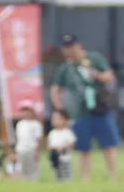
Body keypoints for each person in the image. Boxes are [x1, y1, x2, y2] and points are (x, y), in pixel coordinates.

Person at [50, 34, 119, 181]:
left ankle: (113, 175)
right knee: (83, 148)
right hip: (80, 112)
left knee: (108, 145)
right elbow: (55, 89)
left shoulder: (95, 58)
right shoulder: (65, 68)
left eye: (71, 46)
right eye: (65, 48)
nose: (69, 51)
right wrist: (60, 109)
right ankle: (85, 178)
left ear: (79, 45)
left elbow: (110, 76)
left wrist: (96, 75)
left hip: (100, 109)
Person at [14, 103, 44, 181]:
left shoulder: (36, 124)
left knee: (33, 167)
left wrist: (37, 151)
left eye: (27, 111)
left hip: (32, 149)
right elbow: (18, 138)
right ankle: (24, 180)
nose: (25, 113)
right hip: (21, 149)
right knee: (23, 167)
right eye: (23, 111)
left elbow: (39, 139)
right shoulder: (19, 124)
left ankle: (34, 181)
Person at [47, 109, 77, 181]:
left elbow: (72, 144)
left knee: (66, 175)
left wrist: (63, 148)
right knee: (58, 175)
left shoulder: (67, 132)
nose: (54, 120)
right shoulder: (52, 133)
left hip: (65, 159)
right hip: (56, 159)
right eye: (53, 118)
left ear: (64, 120)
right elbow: (49, 144)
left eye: (57, 118)